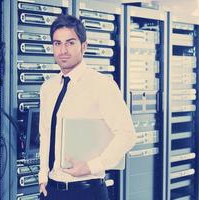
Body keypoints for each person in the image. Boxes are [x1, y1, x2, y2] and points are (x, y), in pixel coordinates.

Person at [38, 14, 136, 200]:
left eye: (70, 43)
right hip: (51, 191)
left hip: (87, 191)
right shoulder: (48, 88)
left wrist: (92, 166)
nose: (63, 50)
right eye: (57, 43)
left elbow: (127, 135)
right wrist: (43, 176)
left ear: (84, 46)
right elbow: (45, 134)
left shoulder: (102, 85)